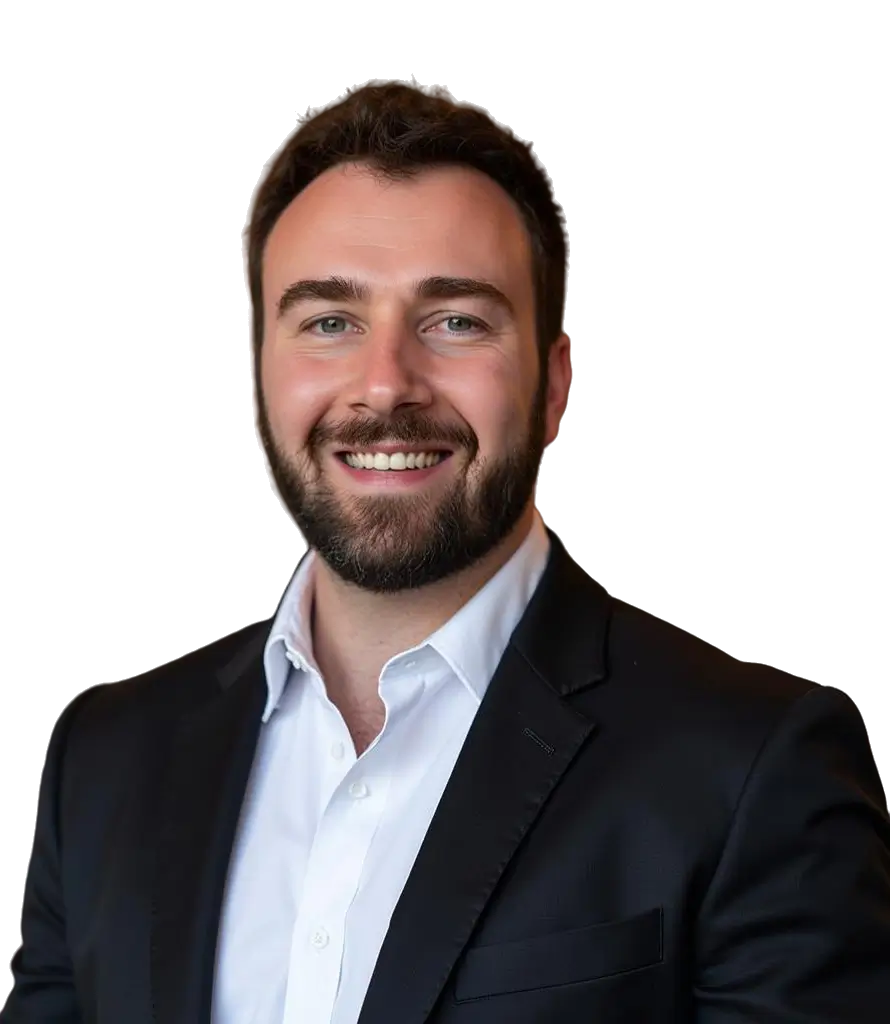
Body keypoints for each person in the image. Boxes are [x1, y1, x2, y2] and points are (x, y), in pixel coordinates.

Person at [8, 78, 889, 1024]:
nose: (386, 384)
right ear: (259, 370)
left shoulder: (757, 763)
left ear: (555, 384)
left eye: (456, 321)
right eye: (330, 322)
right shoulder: (104, 755)